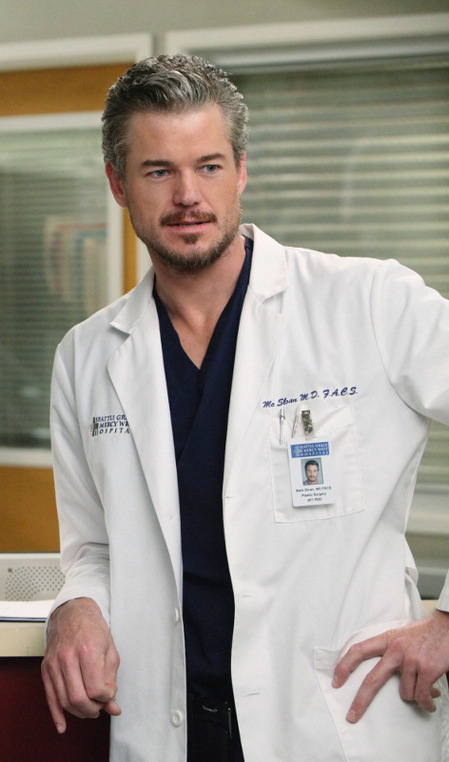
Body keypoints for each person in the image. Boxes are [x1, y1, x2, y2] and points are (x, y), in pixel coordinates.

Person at [41, 54, 449, 762]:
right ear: (117, 184)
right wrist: (76, 606)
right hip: (172, 726)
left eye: (207, 166)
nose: (187, 196)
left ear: (241, 170)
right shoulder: (86, 356)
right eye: (157, 171)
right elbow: (93, 548)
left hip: (337, 723)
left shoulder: (370, 302)